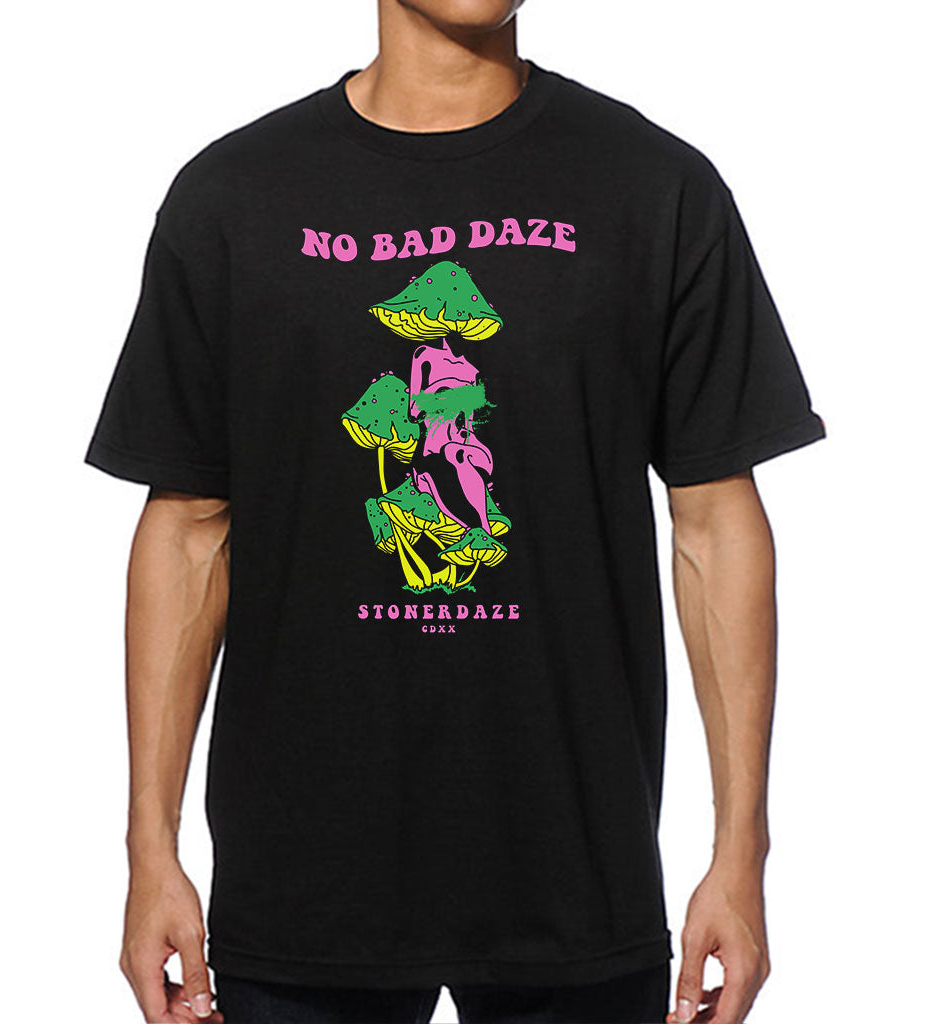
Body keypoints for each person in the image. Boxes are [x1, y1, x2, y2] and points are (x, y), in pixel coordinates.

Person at [83, 2, 826, 1022]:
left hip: (576, 881)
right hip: (300, 889)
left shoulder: (652, 187)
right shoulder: (233, 196)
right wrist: (150, 850)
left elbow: (713, 524)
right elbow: (186, 527)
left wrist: (741, 854)